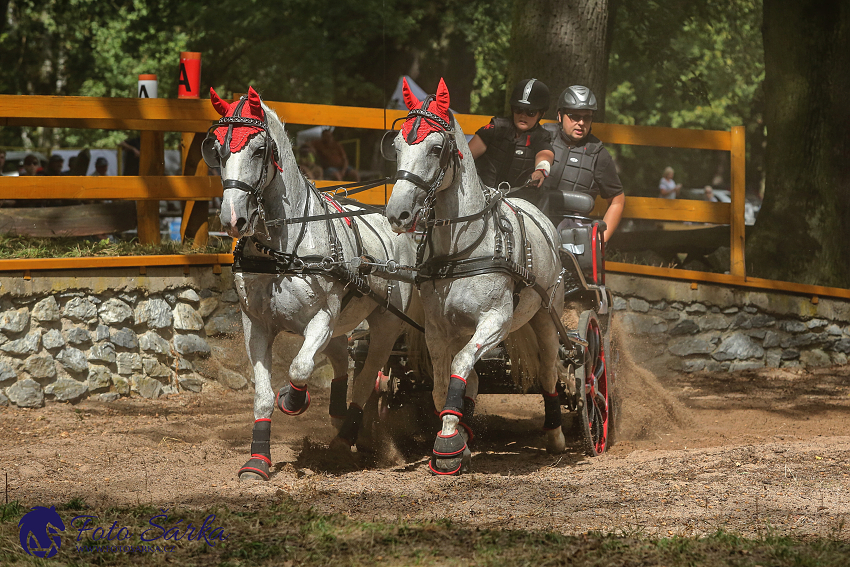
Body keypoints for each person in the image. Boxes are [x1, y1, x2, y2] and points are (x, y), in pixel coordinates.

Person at [539, 85, 625, 243]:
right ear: (560, 115)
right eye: (574, 116)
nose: (581, 123)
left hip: (571, 234)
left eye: (587, 117)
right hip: (532, 224)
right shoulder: (540, 137)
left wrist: (599, 241)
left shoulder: (598, 154)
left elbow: (617, 200)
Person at [468, 78, 554, 190]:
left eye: (530, 112)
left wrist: (541, 170)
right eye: (518, 109)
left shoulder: (541, 136)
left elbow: (545, 155)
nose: (523, 115)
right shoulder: (496, 128)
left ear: (541, 114)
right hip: (481, 193)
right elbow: (465, 156)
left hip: (516, 200)